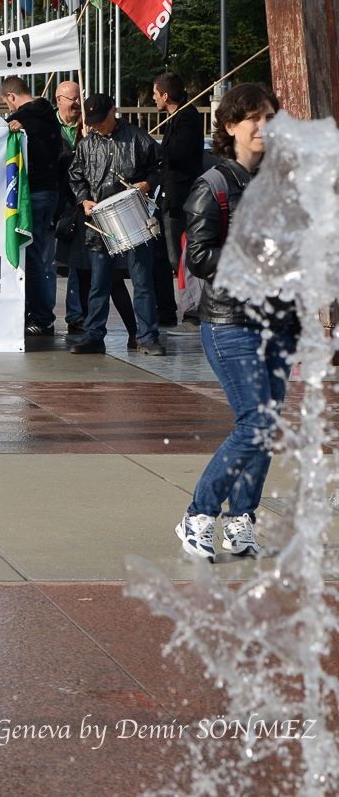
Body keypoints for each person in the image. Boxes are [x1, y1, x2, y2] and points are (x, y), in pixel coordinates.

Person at [174, 83, 291, 559]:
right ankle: (199, 514)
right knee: (255, 420)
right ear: (229, 128)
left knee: (266, 425)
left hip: (277, 322)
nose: (264, 127)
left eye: (270, 117)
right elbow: (198, 256)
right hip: (229, 323)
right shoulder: (214, 185)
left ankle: (241, 521)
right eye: (253, 120)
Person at [68, 92, 164, 356]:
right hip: (101, 220)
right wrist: (84, 199)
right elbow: (75, 175)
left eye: (100, 119)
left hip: (133, 215)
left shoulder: (136, 137)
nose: (96, 125)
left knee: (142, 279)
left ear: (113, 111)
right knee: (99, 281)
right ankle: (94, 335)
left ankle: (148, 336)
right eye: (92, 121)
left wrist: (148, 183)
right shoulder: (87, 144)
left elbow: (161, 164)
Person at [1, 76, 62, 337]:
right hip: (51, 191)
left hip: (31, 193)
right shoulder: (49, 113)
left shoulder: (22, 119)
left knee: (32, 256)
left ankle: (40, 315)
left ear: (10, 97)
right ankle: (39, 312)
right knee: (40, 256)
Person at [154, 71, 203, 326]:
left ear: (165, 95)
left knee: (180, 257)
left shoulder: (187, 117)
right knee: (168, 256)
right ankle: (172, 307)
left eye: (154, 93)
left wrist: (156, 150)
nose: (153, 99)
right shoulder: (176, 117)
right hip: (169, 194)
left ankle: (194, 306)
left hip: (181, 197)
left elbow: (182, 152)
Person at [52, 80, 86, 330]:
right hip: (55, 199)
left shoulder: (89, 125)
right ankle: (41, 315)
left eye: (78, 98)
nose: (76, 103)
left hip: (81, 201)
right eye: (71, 99)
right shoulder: (48, 125)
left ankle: (76, 314)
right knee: (47, 262)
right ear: (59, 100)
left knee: (77, 260)